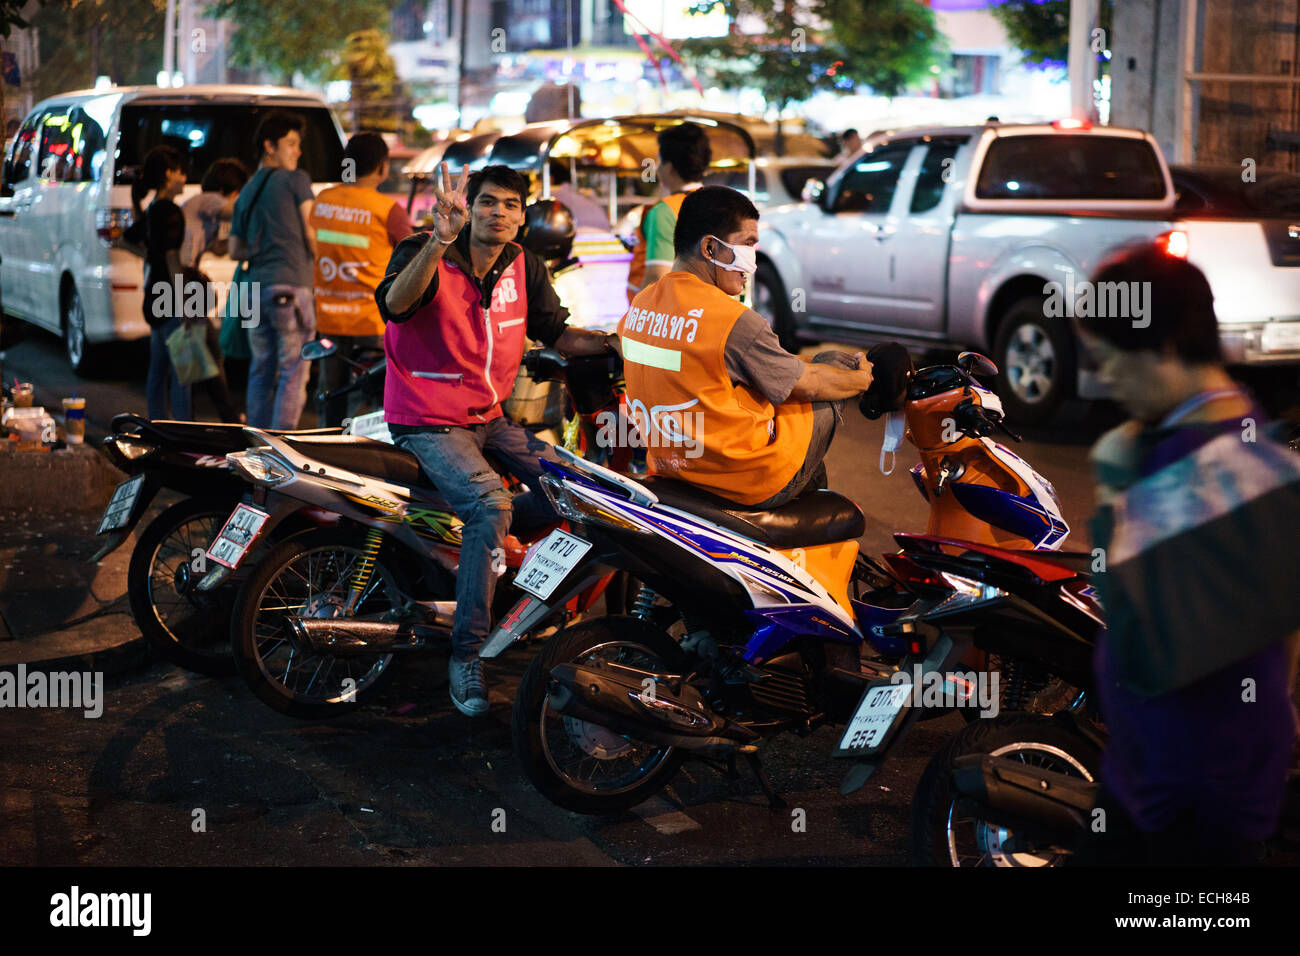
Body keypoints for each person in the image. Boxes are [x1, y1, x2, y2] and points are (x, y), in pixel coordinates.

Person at [1073, 243, 1300, 865]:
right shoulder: (1257, 448)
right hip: (1203, 777)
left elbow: (1147, 640)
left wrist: (1118, 497)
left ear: (1165, 347)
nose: (1106, 380)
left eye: (1111, 360)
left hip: (1180, 795)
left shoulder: (1195, 469)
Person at [376, 163, 612, 717]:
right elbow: (394, 306)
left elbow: (556, 332)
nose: (498, 212)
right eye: (487, 202)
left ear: (521, 215)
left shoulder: (523, 264)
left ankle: (508, 581)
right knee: (490, 503)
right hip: (426, 417)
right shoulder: (423, 248)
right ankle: (467, 654)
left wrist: (617, 343)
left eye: (509, 204)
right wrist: (439, 239)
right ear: (469, 206)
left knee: (578, 487)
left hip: (491, 416)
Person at [618, 185, 877, 508]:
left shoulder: (640, 305)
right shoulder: (731, 320)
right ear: (710, 248)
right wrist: (862, 379)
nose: (752, 262)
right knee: (833, 365)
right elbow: (809, 385)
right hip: (742, 480)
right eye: (747, 245)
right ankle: (804, 529)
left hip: (672, 469)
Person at [310, 132, 414, 426]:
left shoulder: (324, 200)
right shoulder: (387, 209)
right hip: (370, 322)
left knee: (331, 396)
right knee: (372, 405)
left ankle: (326, 455)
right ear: (383, 166)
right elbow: (413, 257)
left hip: (329, 319)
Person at [229, 110, 317, 430]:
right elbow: (311, 231)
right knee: (293, 369)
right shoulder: (296, 180)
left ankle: (256, 442)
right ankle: (282, 448)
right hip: (290, 285)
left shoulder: (247, 192)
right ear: (270, 145)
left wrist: (262, 244)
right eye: (291, 144)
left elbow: (234, 250)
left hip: (253, 291)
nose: (298, 151)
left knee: (260, 368)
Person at [181, 157, 250, 423]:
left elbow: (220, 248)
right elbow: (237, 210)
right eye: (240, 191)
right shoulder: (210, 199)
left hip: (185, 283)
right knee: (194, 354)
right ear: (230, 189)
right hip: (182, 283)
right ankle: (189, 423)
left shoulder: (202, 206)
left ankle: (224, 417)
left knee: (207, 351)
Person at [134, 145, 194, 421]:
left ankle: (157, 425)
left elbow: (124, 239)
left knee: (158, 369)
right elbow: (172, 259)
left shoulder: (151, 210)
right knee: (183, 373)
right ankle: (183, 431)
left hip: (153, 295)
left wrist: (149, 256)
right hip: (170, 296)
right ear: (169, 173)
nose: (184, 178)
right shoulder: (170, 211)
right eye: (181, 172)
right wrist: (183, 302)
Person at [626, 121, 711, 300]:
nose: (656, 168)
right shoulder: (718, 203)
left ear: (669, 167)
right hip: (703, 308)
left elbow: (657, 277)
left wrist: (633, 317)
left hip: (674, 314)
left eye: (659, 161)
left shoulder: (665, 211)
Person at [547, 160, 610, 232]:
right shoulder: (584, 195)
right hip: (606, 236)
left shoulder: (549, 196)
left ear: (550, 179)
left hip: (579, 237)